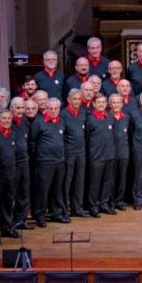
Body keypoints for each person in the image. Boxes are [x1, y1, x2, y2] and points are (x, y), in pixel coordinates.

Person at [29, 98, 69, 226]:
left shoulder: (61, 121)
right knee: (43, 190)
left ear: (59, 109)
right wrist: (39, 158)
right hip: (44, 162)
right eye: (50, 108)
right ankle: (39, 215)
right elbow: (32, 142)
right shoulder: (38, 122)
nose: (53, 111)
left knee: (57, 190)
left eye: (56, 108)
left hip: (59, 161)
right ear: (46, 109)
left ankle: (57, 213)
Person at [0, 109, 19, 238]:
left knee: (8, 201)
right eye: (4, 118)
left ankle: (7, 227)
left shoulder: (12, 132)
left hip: (10, 173)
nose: (7, 121)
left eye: (9, 118)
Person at [86, 94, 116, 217]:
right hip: (97, 156)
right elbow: (87, 138)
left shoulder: (110, 117)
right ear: (94, 104)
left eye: (103, 102)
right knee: (95, 182)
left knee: (107, 181)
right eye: (99, 102)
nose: (101, 104)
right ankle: (93, 205)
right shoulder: (90, 119)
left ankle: (104, 204)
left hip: (109, 155)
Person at [60, 89, 88, 218]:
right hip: (69, 152)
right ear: (68, 100)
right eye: (74, 99)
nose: (77, 101)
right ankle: (65, 210)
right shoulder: (63, 114)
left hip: (81, 152)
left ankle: (78, 208)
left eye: (78, 99)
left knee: (80, 181)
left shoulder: (83, 112)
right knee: (67, 183)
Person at [10, 97, 33, 229]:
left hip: (24, 161)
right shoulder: (8, 121)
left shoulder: (24, 121)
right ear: (12, 108)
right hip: (13, 163)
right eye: (17, 108)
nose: (20, 110)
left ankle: (21, 220)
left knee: (24, 193)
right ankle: (10, 222)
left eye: (22, 108)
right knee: (12, 193)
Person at [109, 94, 130, 211]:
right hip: (111, 153)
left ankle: (119, 201)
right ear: (110, 104)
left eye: (118, 103)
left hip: (123, 152)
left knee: (122, 178)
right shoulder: (107, 117)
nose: (116, 105)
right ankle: (110, 201)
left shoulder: (126, 117)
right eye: (114, 103)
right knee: (111, 179)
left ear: (122, 104)